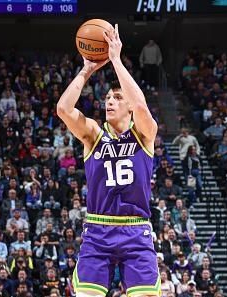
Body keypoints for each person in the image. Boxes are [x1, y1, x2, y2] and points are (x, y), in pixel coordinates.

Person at [57, 24, 159, 296]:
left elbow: (140, 105)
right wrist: (86, 70)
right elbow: (64, 109)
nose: (109, 101)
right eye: (107, 98)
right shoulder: (93, 135)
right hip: (98, 230)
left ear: (128, 105)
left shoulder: (144, 136)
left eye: (116, 97)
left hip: (136, 232)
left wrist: (115, 60)